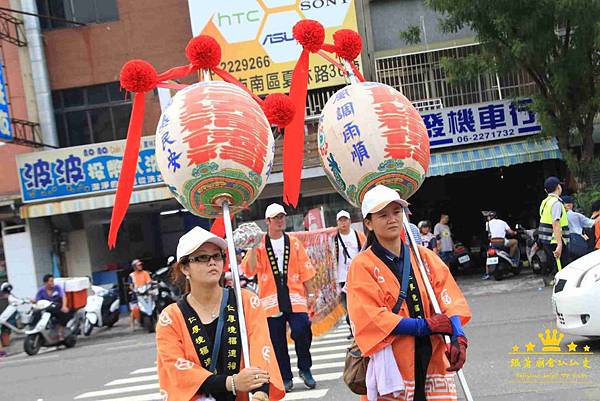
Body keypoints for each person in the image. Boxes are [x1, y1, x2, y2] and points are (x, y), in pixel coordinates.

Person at [347, 185, 471, 401]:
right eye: (382, 215)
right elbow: (371, 317)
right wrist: (424, 326)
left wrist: (459, 336)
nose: (392, 219)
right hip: (394, 362)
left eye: (397, 212)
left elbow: (447, 297)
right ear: (368, 223)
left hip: (432, 356)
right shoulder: (362, 265)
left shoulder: (424, 257)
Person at [156, 226, 284, 401]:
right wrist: (231, 382)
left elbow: (260, 348)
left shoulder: (246, 301)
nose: (212, 262)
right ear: (185, 268)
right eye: (202, 257)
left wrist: (260, 392)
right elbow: (176, 370)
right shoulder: (170, 318)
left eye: (217, 256)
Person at [242, 203, 317, 392]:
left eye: (282, 216)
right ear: (268, 221)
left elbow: (305, 268)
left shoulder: (293, 242)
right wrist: (251, 247)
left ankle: (305, 368)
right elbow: (250, 270)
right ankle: (285, 377)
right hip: (270, 300)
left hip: (295, 295)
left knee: (302, 329)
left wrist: (311, 293)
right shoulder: (259, 244)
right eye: (276, 218)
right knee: (277, 340)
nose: (280, 220)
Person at [334, 210, 366, 339]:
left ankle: (361, 327)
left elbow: (366, 251)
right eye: (341, 220)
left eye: (345, 220)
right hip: (342, 277)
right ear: (337, 223)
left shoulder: (358, 235)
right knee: (348, 306)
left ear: (350, 221)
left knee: (360, 303)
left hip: (358, 275)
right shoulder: (334, 238)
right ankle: (352, 328)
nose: (343, 223)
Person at [538, 177, 570, 286]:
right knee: (563, 266)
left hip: (547, 240)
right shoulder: (556, 203)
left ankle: (554, 281)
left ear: (546, 191)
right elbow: (556, 223)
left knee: (555, 263)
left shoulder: (545, 202)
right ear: (558, 187)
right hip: (555, 240)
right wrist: (559, 244)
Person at [35, 274, 70, 341]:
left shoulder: (57, 287)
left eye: (53, 281)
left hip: (57, 306)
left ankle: (61, 331)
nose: (52, 283)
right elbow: (37, 301)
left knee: (63, 313)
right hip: (47, 308)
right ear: (45, 283)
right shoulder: (41, 291)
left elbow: (63, 297)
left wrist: (64, 306)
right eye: (51, 281)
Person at [562, 195, 594, 262]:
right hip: (577, 241)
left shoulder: (558, 216)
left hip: (564, 243)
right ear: (570, 205)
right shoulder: (576, 215)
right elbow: (591, 223)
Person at [128, 259, 152, 330]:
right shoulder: (131, 275)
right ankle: (132, 325)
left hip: (146, 293)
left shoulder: (145, 273)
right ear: (134, 267)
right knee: (134, 310)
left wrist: (150, 285)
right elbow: (130, 285)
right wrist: (133, 289)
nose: (140, 266)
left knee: (154, 304)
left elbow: (149, 281)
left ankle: (156, 321)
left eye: (140, 265)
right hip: (136, 294)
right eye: (138, 265)